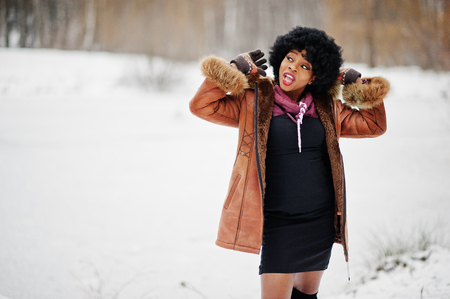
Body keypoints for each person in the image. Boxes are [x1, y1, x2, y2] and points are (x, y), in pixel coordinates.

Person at [189, 26, 390, 299]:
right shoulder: (254, 101)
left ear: (314, 76)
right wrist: (231, 69)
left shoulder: (327, 107)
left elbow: (374, 124)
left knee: (307, 296)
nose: (293, 67)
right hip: (277, 222)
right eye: (290, 58)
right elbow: (202, 105)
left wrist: (359, 86)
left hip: (319, 220)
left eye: (304, 65)